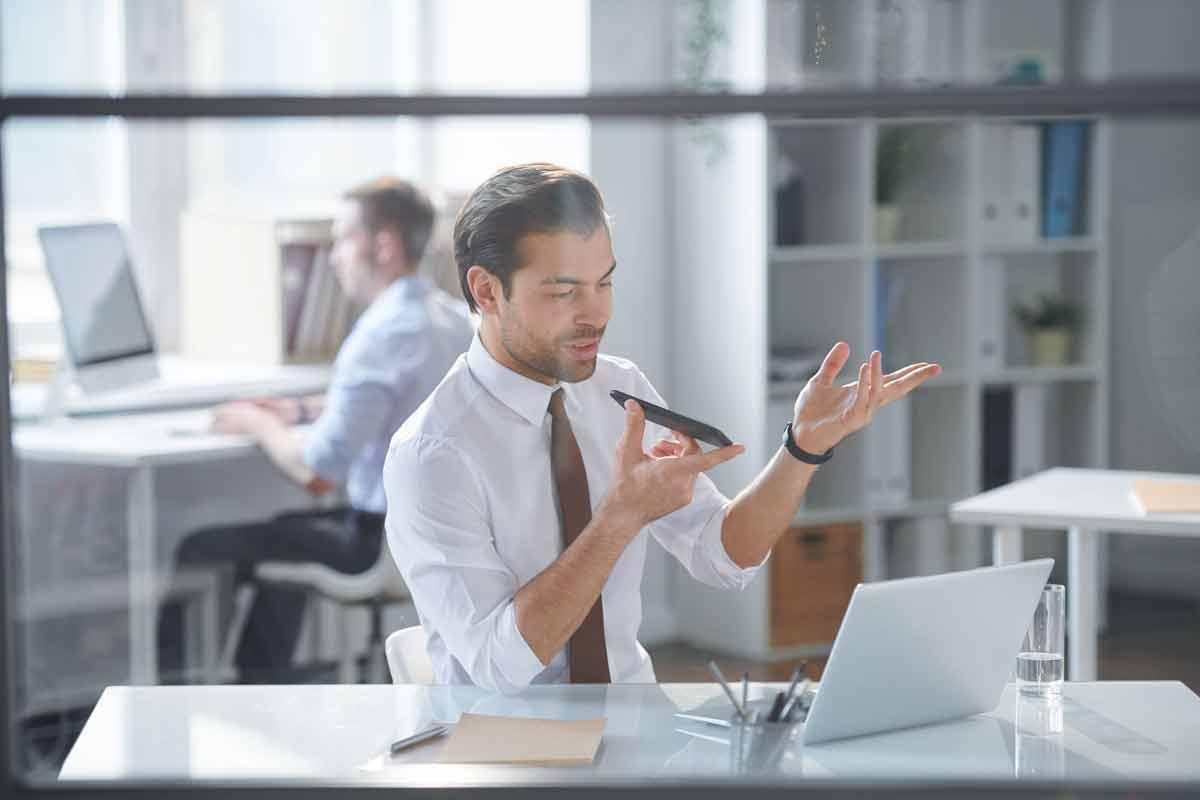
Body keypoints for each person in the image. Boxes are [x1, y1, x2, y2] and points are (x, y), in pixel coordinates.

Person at [383, 163, 940, 693]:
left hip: (634, 719)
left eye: (604, 283)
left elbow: (725, 555)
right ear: (486, 291)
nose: (596, 313)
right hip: (506, 744)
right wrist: (620, 517)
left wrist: (803, 446)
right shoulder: (432, 455)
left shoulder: (616, 389)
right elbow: (498, 666)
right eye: (563, 292)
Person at [159, 177, 474, 681]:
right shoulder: (454, 320)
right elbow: (393, 401)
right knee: (284, 539)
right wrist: (302, 410)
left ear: (385, 244)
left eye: (344, 239)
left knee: (202, 549)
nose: (333, 257)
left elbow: (317, 473)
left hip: (374, 542)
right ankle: (259, 691)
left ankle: (176, 705)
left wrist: (258, 423)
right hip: (439, 535)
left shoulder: (379, 333)